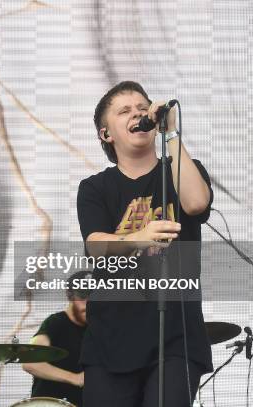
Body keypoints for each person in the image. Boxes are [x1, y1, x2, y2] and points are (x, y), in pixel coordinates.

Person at [76, 81, 213, 407]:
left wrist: (171, 133)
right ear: (106, 134)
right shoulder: (95, 188)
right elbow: (95, 244)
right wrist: (139, 237)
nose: (137, 113)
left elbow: (196, 204)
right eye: (124, 111)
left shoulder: (180, 172)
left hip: (176, 338)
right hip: (110, 340)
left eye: (142, 108)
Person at [22, 270, 91, 407]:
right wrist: (75, 378)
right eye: (83, 297)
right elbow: (30, 363)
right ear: (69, 295)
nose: (89, 304)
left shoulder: (99, 327)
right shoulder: (55, 323)